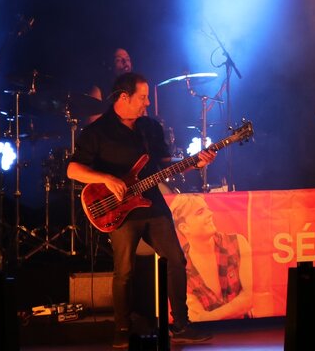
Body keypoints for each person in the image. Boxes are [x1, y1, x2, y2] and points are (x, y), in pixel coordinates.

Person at [67, 72, 215, 347]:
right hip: (120, 211)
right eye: (143, 97)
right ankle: (122, 330)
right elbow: (73, 169)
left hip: (153, 206)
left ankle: (181, 325)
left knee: (176, 260)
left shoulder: (150, 128)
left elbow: (166, 165)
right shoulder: (97, 131)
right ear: (124, 97)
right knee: (124, 271)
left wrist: (195, 163)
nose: (147, 103)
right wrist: (107, 179)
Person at [169, 194, 253, 322]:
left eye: (207, 209)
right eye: (200, 212)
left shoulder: (237, 242)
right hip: (208, 332)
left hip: (245, 327)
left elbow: (249, 298)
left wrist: (208, 317)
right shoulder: (180, 263)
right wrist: (234, 308)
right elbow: (194, 315)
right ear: (184, 228)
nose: (210, 213)